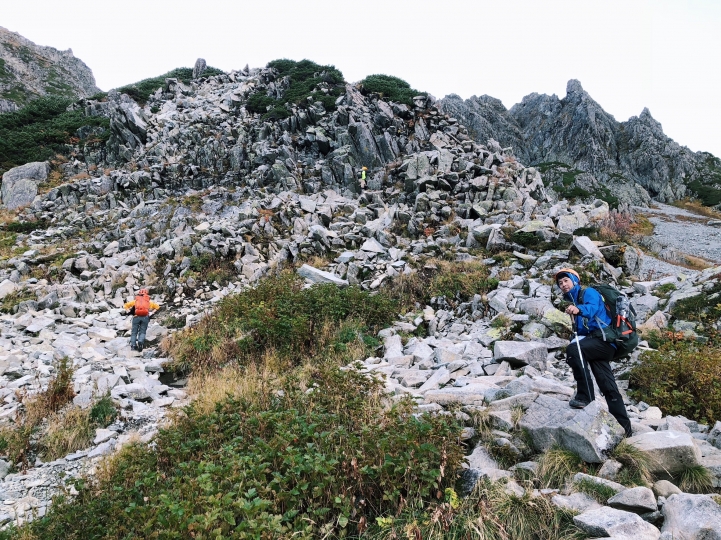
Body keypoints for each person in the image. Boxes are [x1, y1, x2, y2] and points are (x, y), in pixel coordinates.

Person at [555, 268, 633, 438]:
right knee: (608, 386)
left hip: (604, 341)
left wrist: (578, 310)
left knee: (573, 350)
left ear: (575, 280)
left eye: (566, 280)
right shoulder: (573, 301)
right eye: (560, 283)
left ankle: (585, 396)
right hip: (599, 346)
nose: (563, 285)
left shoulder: (588, 292)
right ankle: (625, 429)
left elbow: (591, 308)